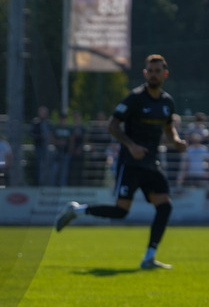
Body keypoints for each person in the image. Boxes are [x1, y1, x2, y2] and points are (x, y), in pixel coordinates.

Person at [55, 55, 187, 270]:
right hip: (131, 163)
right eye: (150, 71)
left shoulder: (167, 103)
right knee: (121, 211)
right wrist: (131, 145)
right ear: (145, 73)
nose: (153, 74)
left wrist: (177, 141)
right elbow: (112, 125)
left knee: (165, 206)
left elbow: (168, 128)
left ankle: (149, 257)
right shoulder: (135, 98)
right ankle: (77, 210)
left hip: (151, 164)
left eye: (157, 71)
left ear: (165, 74)